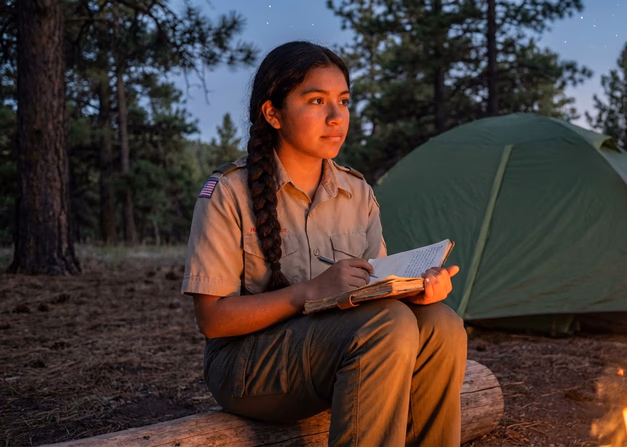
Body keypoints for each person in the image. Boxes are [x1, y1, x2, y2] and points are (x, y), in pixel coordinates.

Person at [181, 41, 468, 447]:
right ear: (272, 113)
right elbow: (213, 320)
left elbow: (376, 291)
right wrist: (311, 292)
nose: (337, 117)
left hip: (337, 351)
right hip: (247, 367)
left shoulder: (357, 192)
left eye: (344, 101)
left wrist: (415, 293)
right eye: (317, 101)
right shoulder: (229, 192)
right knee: (388, 325)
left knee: (442, 324)